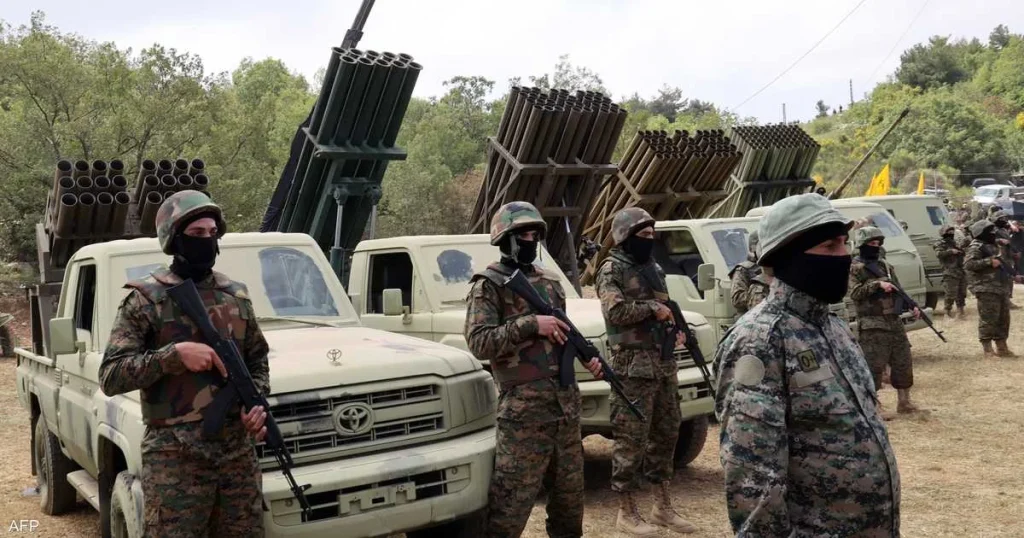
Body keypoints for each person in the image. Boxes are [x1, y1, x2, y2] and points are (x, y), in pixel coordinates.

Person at [714, 193, 901, 536]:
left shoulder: (834, 327)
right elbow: (752, 476)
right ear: (788, 256)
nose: (843, 256)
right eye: (829, 246)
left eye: (844, 243)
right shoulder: (760, 339)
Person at [99, 190, 269, 537]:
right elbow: (111, 375)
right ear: (174, 239)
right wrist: (173, 357)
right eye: (196, 233)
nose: (207, 240)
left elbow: (258, 362)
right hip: (174, 462)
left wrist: (256, 404)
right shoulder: (146, 300)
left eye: (212, 233)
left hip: (237, 459)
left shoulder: (235, 296)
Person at [464, 201, 603, 538]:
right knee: (509, 507)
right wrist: (530, 324)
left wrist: (586, 356)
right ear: (505, 239)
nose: (530, 241)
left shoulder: (550, 282)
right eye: (523, 235)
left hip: (565, 410)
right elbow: (479, 343)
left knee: (570, 506)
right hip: (523, 414)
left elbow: (562, 334)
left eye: (534, 235)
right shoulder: (488, 285)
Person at [595, 208, 697, 536]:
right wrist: (653, 309)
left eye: (652, 235)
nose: (650, 240)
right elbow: (615, 311)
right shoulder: (611, 269)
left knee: (666, 434)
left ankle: (662, 507)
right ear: (625, 237)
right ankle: (626, 512)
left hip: (663, 364)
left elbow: (665, 309)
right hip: (633, 369)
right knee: (631, 440)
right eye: (643, 235)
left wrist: (675, 331)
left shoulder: (652, 267)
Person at [848, 226, 922, 414]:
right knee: (873, 366)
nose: (875, 246)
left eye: (878, 243)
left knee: (903, 361)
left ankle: (904, 402)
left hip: (893, 321)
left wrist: (911, 305)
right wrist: (876, 285)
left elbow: (898, 288)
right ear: (862, 245)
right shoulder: (854, 268)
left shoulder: (885, 265)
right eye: (871, 243)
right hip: (872, 323)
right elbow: (854, 293)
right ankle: (873, 407)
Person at [964, 219, 1022, 356]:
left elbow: (1001, 264)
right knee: (988, 318)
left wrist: (1013, 275)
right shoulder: (976, 247)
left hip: (1001, 287)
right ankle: (988, 349)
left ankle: (1002, 347)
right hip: (986, 288)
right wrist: (988, 261)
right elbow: (969, 265)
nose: (992, 233)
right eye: (989, 231)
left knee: (1003, 319)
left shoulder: (992, 245)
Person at [934, 224, 967, 319]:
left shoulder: (955, 243)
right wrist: (950, 251)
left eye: (952, 232)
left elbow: (963, 251)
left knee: (962, 292)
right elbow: (939, 254)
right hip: (950, 272)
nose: (951, 233)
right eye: (949, 232)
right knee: (950, 293)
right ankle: (947, 311)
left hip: (960, 270)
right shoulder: (940, 243)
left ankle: (960, 311)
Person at [728, 230, 763, 316]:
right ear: (753, 248)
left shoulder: (770, 267)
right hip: (749, 317)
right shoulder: (743, 269)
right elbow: (736, 299)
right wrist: (758, 295)